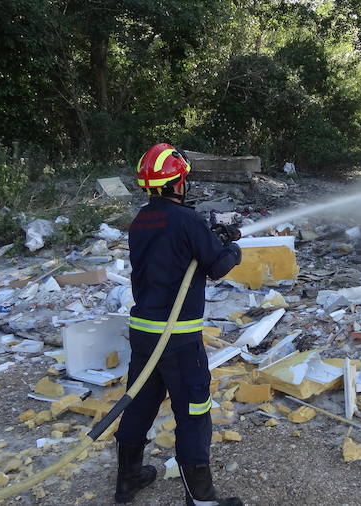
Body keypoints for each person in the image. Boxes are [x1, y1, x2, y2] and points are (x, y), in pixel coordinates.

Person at [114, 143, 243, 505]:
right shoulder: (188, 220)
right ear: (177, 182)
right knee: (193, 412)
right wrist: (233, 250)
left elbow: (172, 254)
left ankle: (127, 482)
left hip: (144, 334)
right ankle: (201, 500)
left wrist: (211, 240)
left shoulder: (141, 221)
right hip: (179, 339)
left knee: (139, 404)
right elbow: (218, 266)